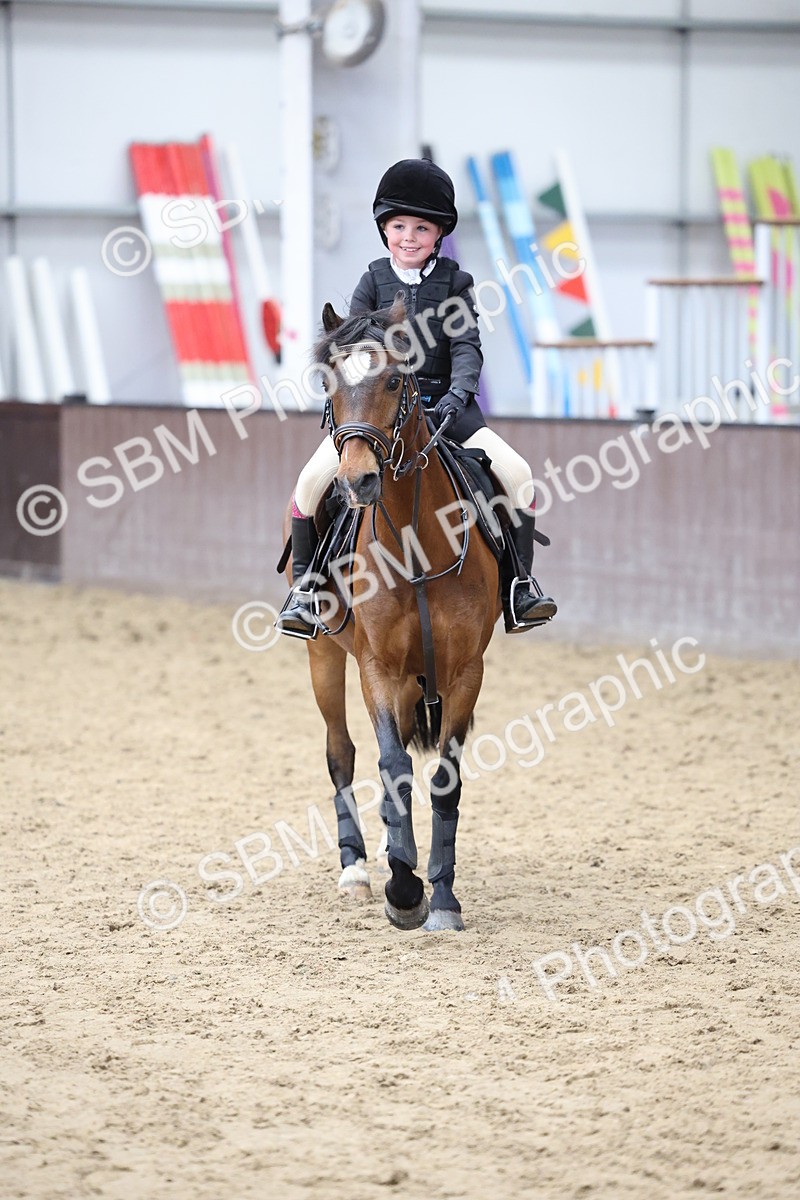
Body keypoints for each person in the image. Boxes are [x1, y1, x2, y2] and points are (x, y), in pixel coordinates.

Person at [276, 158, 557, 637]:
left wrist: (457, 394)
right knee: (308, 485)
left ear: (438, 233)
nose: (409, 237)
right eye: (399, 226)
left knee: (519, 475)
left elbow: (467, 346)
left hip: (449, 411)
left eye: (421, 228)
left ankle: (520, 586)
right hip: (376, 414)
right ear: (384, 229)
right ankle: (305, 591)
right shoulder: (371, 283)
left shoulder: (455, 284)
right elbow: (352, 355)